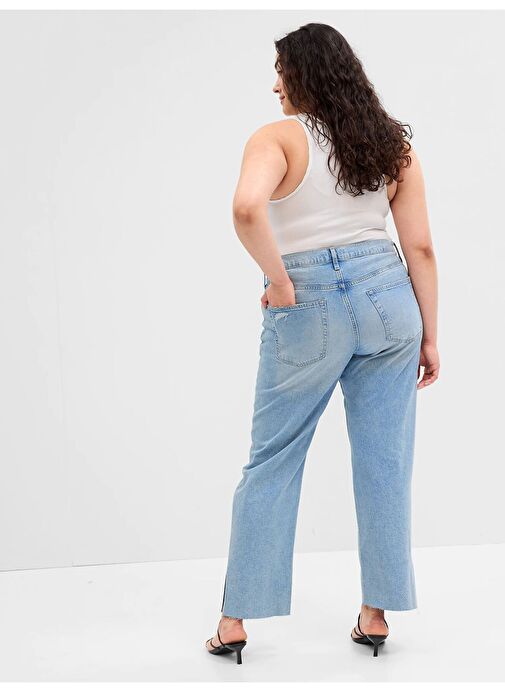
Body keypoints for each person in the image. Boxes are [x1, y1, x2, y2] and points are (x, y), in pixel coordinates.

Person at [206, 22, 439, 664]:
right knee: (385, 462)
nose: (274, 84)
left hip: (308, 302)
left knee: (273, 458)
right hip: (390, 297)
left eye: (280, 70)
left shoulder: (278, 138)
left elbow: (247, 208)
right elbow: (420, 246)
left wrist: (280, 283)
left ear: (304, 73)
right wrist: (430, 335)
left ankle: (234, 622)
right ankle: (376, 614)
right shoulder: (389, 145)